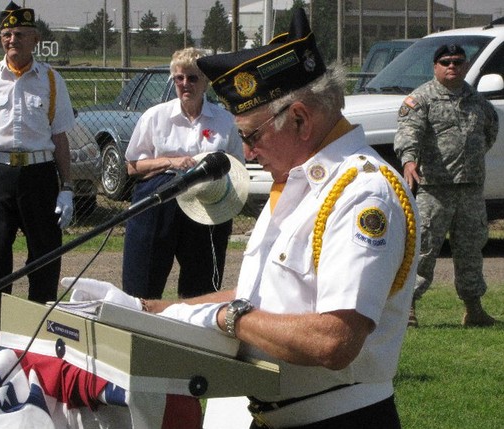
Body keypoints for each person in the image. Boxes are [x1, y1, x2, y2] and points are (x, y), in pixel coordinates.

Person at [63, 9, 419, 428]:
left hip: (339, 418)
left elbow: (334, 341)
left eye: (251, 136)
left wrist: (230, 319)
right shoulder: (298, 182)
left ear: (301, 120)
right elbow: (262, 293)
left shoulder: (361, 193)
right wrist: (149, 310)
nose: (247, 153)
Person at [0, 1, 75, 359]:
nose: (12, 40)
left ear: (35, 39)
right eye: (6, 34)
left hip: (38, 175)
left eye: (20, 34)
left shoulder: (51, 80)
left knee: (44, 259)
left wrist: (66, 187)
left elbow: (61, 139)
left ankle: (37, 342)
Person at [122, 47, 244, 300]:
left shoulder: (224, 121)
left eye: (192, 78)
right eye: (179, 78)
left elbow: (235, 167)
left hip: (206, 206)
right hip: (159, 200)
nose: (185, 84)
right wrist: (169, 161)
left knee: (201, 288)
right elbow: (132, 166)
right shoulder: (155, 117)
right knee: (142, 283)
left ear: (206, 82)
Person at [394, 43, 499, 328]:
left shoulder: (478, 102)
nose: (452, 66)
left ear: (465, 66)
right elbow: (408, 132)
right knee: (424, 250)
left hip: (470, 190)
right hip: (433, 190)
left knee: (471, 251)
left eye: (457, 61)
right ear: (435, 66)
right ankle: (409, 308)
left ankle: (474, 309)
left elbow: (489, 132)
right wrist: (409, 160)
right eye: (446, 62)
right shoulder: (421, 99)